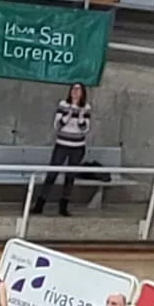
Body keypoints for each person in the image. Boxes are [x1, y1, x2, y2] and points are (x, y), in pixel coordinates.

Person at [33, 83, 90, 217]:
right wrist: (68, 116)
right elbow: (57, 125)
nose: (75, 92)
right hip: (62, 145)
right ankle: (40, 204)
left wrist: (80, 117)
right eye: (73, 89)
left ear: (82, 93)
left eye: (78, 90)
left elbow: (85, 128)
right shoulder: (63, 104)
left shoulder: (86, 107)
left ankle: (64, 206)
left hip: (77, 147)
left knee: (70, 176)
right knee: (52, 173)